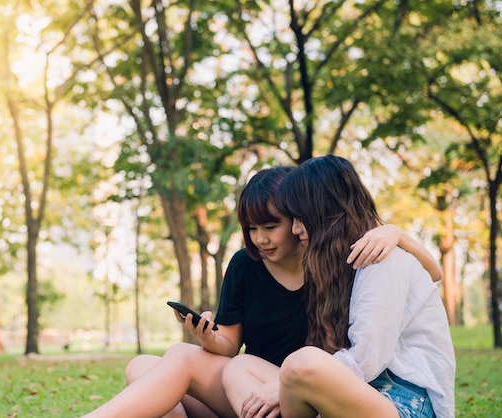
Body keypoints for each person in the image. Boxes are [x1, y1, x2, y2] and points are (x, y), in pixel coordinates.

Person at [81, 166, 443, 418]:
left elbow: (426, 278)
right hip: (264, 389)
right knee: (146, 364)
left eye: (273, 225)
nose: (261, 238)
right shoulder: (246, 264)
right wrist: (205, 336)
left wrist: (395, 232)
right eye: (252, 228)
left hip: (320, 389)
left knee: (295, 365)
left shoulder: (349, 259)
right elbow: (229, 347)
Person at [222, 155, 455, 418]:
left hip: (405, 403)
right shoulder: (340, 263)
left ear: (324, 211)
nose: (296, 230)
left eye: (300, 218)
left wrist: (281, 385)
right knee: (238, 367)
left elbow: (366, 360)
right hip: (361, 393)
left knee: (301, 363)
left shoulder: (380, 259)